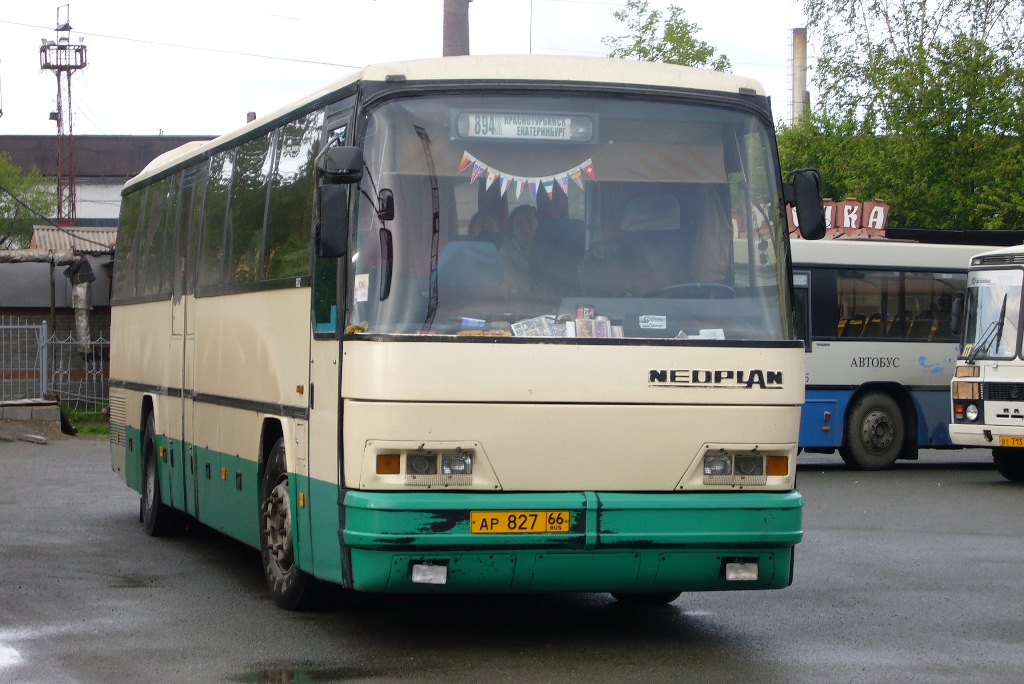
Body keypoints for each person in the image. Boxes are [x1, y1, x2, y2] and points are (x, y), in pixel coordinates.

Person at [499, 204, 538, 297]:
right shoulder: (505, 252)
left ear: (538, 224)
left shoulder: (549, 251)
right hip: (517, 306)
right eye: (520, 222)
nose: (525, 226)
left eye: (529, 221)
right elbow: (513, 284)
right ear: (512, 228)